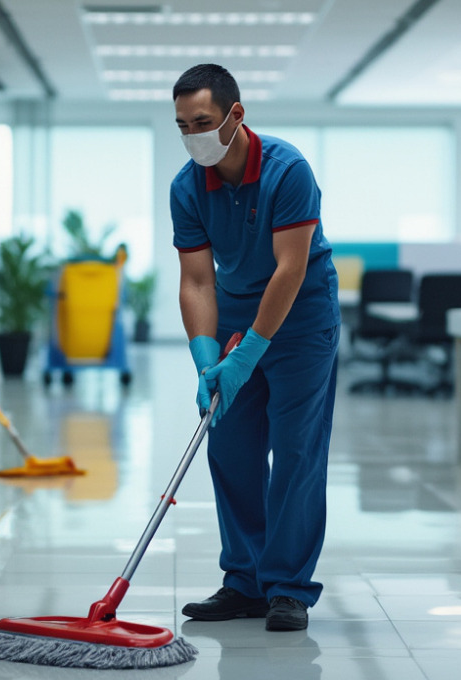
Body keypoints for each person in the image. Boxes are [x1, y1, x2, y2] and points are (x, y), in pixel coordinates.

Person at [170, 64, 340, 632]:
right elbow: (197, 280)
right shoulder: (187, 186)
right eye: (182, 125)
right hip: (236, 315)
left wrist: (249, 354)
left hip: (301, 317)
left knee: (295, 451)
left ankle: (288, 587)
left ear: (235, 116)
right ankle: (244, 581)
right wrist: (205, 354)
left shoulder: (288, 171)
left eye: (202, 121)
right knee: (231, 448)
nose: (192, 134)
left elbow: (289, 269)